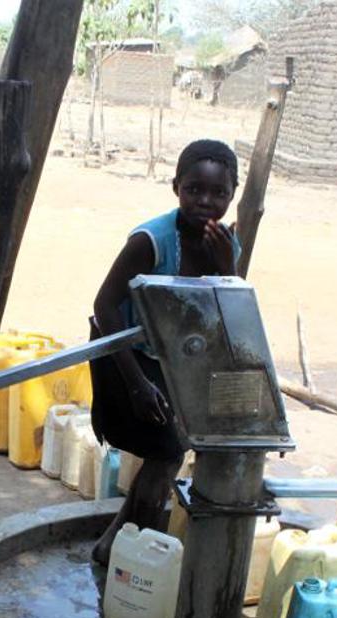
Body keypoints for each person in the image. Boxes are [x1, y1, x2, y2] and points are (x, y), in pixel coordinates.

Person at [89, 140, 243, 565]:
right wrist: (137, 385)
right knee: (167, 452)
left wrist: (224, 266)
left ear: (233, 195)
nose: (206, 203)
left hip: (172, 361)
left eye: (218, 194)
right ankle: (131, 565)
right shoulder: (151, 241)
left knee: (166, 454)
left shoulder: (226, 245)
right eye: (194, 190)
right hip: (123, 353)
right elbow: (103, 306)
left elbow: (229, 312)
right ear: (176, 187)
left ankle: (113, 550)